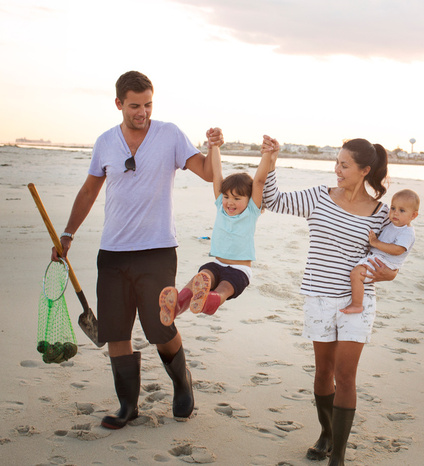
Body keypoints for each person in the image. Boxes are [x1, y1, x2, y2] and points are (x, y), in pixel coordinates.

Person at [51, 70, 221, 429]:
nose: (142, 112)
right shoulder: (105, 142)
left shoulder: (170, 134)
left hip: (157, 249)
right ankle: (128, 406)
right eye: (134, 106)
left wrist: (214, 147)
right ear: (119, 104)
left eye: (147, 104)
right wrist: (67, 234)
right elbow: (88, 191)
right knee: (115, 331)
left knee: (160, 326)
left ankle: (181, 381)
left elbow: (207, 172)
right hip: (113, 252)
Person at [261, 135, 398, 465]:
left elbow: (393, 263)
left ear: (365, 170)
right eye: (336, 162)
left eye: (344, 165)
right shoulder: (318, 197)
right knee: (323, 372)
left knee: (345, 375)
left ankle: (338, 454)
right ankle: (326, 432)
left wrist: (384, 274)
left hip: (357, 302)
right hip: (318, 297)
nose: (336, 169)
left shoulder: (381, 215)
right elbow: (272, 200)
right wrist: (271, 160)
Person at [158, 133, 272, 323]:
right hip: (217, 264)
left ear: (249, 199)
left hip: (240, 270)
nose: (229, 202)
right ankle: (178, 304)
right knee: (202, 277)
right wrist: (215, 146)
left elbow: (259, 181)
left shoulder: (252, 211)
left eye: (237, 198)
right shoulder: (221, 206)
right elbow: (217, 173)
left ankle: (211, 301)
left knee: (225, 288)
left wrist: (267, 153)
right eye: (227, 197)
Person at [340, 189, 419, 314]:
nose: (395, 213)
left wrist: (376, 243)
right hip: (378, 257)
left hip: (386, 263)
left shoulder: (407, 232)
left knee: (356, 274)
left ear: (413, 216)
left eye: (402, 210)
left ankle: (357, 304)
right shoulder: (391, 224)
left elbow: (398, 250)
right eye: (393, 208)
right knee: (356, 273)